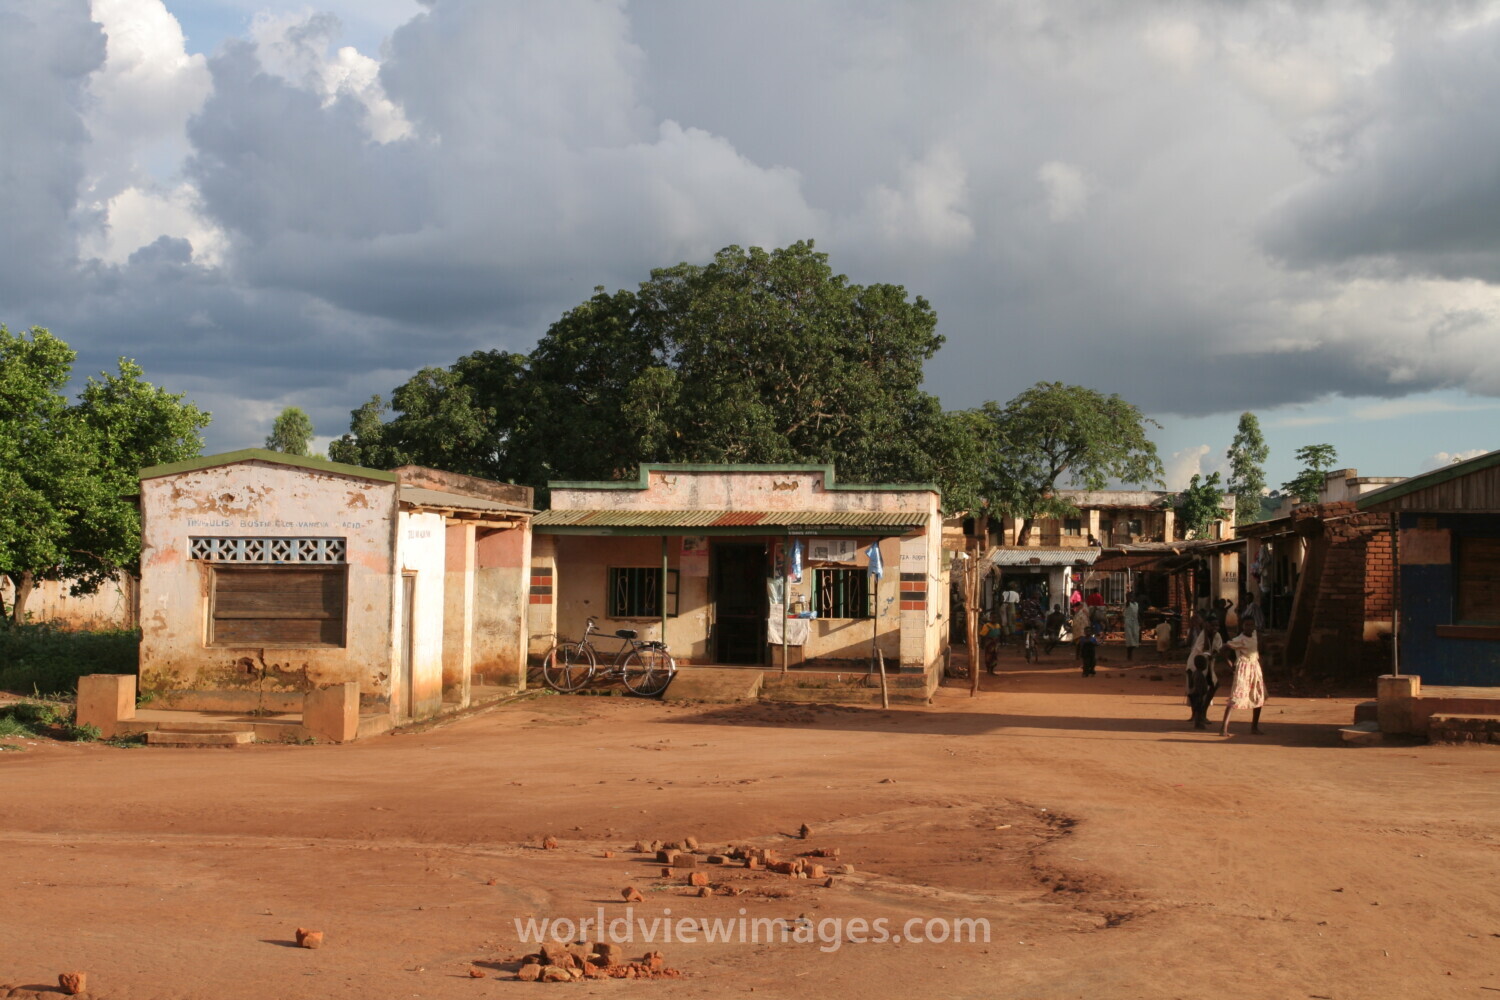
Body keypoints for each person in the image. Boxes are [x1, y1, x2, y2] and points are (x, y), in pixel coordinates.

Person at [1219, 619, 1265, 736]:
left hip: (1254, 667)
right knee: (1235, 697)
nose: (1249, 627)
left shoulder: (1254, 635)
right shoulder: (1239, 640)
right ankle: (1223, 728)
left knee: (1258, 697)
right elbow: (1223, 649)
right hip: (1244, 669)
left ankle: (1254, 727)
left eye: (1251, 624)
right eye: (1246, 625)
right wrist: (1230, 664)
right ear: (1242, 627)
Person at [1186, 652, 1219, 730]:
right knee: (1199, 710)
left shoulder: (1194, 673)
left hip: (1193, 695)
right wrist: (1201, 696)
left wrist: (1189, 674)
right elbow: (1199, 687)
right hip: (1198, 695)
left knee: (1196, 710)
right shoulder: (1200, 675)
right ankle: (1198, 724)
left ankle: (1197, 722)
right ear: (1202, 665)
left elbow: (1190, 685)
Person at [1122, 595, 1142, 661]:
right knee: (1129, 638)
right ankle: (1129, 654)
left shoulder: (1136, 604)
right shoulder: (1127, 604)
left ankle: (1131, 651)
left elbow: (1137, 613)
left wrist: (1140, 622)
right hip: (1128, 621)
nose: (1131, 598)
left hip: (1135, 621)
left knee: (1135, 636)